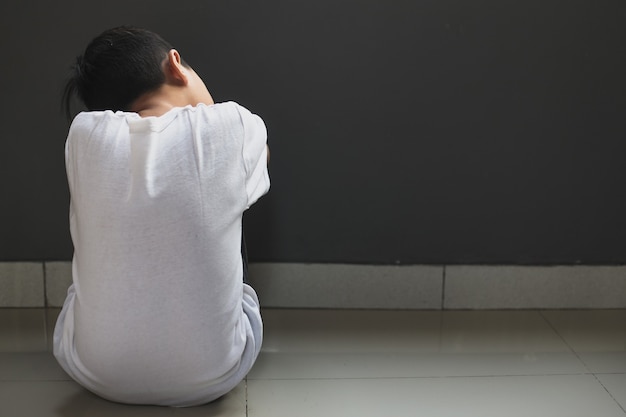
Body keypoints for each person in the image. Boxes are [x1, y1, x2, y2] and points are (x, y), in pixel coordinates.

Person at [54, 26, 270, 407]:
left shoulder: (82, 135)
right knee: (234, 196)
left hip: (92, 372)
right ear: (176, 64)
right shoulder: (232, 124)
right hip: (213, 376)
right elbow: (258, 166)